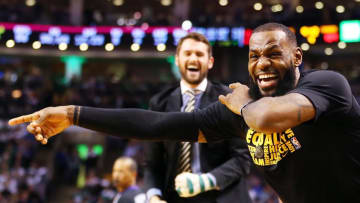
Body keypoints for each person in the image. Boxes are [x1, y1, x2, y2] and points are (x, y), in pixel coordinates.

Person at [8, 22, 360, 203]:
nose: (262, 64)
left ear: (296, 57)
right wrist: (73, 113)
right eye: (254, 56)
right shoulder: (241, 106)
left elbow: (267, 118)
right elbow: (159, 123)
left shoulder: (326, 85)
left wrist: (242, 104)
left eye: (273, 53)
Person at [144, 32, 251, 203]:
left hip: (222, 196)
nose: (193, 59)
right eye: (187, 53)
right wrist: (153, 196)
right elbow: (152, 163)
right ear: (177, 59)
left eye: (200, 54)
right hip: (175, 197)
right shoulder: (159, 104)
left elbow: (242, 159)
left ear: (210, 62)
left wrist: (205, 181)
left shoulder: (230, 99)